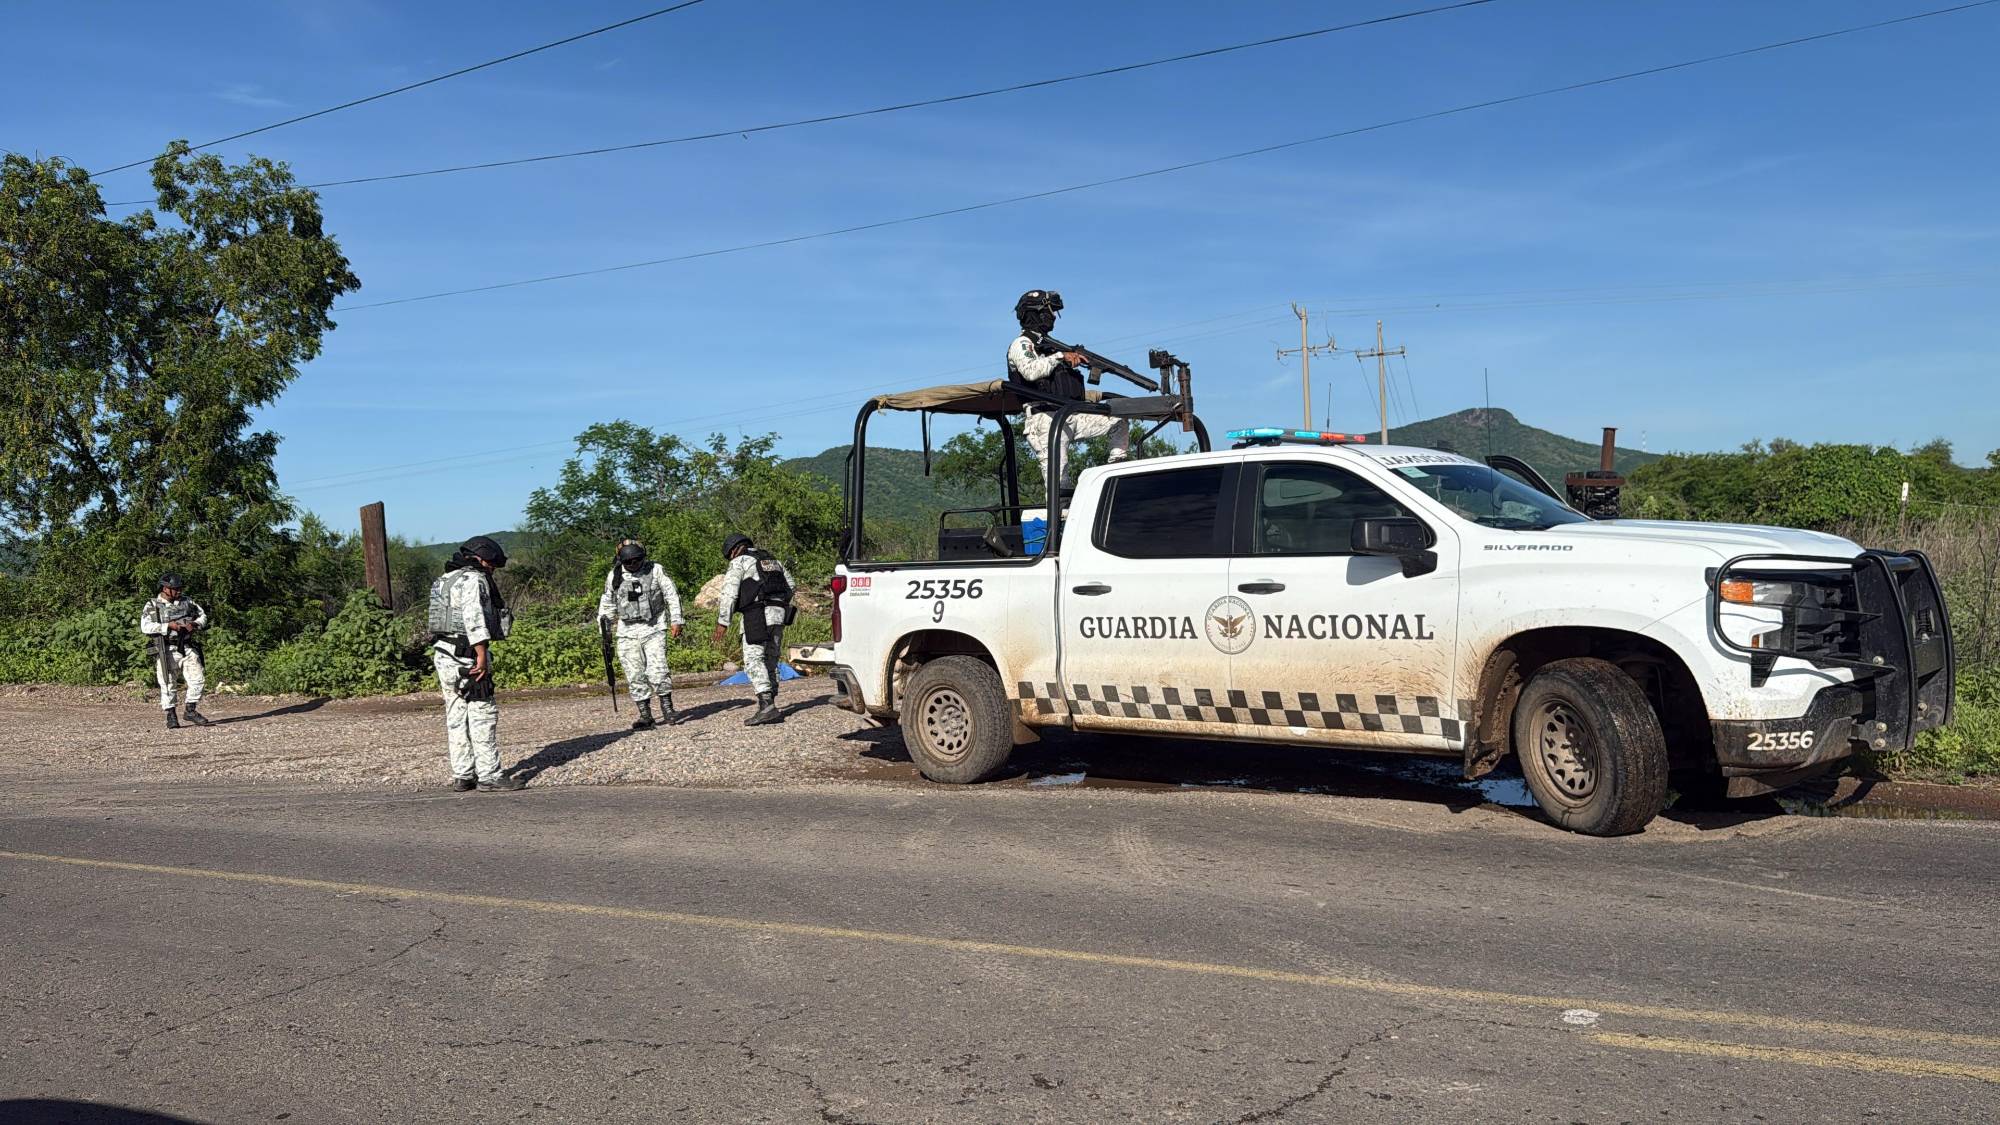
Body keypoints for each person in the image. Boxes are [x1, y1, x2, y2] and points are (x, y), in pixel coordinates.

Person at [1006, 289, 1128, 495]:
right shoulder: (1023, 344)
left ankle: (1115, 467)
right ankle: (1056, 524)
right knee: (1059, 487)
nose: (1053, 316)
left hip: (1067, 415)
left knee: (1118, 420)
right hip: (1043, 420)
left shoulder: (1049, 346)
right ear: (1034, 312)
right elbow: (1031, 372)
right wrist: (1061, 356)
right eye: (1049, 311)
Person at [425, 535, 524, 792]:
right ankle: (490, 775)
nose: (492, 568)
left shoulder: (443, 579)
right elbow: (473, 618)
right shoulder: (474, 580)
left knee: (456, 715)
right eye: (491, 563)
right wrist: (481, 654)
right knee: (482, 714)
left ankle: (463, 774)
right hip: (467, 654)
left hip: (444, 654)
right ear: (480, 557)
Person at [597, 539, 686, 730]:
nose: (633, 564)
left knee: (658, 670)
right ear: (621, 561)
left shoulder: (655, 570)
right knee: (634, 673)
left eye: (636, 560)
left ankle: (668, 709)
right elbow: (607, 603)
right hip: (627, 630)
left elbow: (671, 594)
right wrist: (604, 631)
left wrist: (677, 620)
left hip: (653, 626)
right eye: (628, 562)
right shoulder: (615, 575)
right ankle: (645, 715)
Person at [710, 533, 796, 727]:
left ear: (733, 550)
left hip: (756, 615)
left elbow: (729, 593)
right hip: (779, 614)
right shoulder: (773, 560)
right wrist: (779, 604)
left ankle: (766, 705)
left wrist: (723, 622)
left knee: (753, 659)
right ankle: (771, 700)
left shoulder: (739, 561)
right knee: (771, 658)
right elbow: (791, 585)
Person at [139, 574, 210, 729]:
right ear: (166, 589)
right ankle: (171, 715)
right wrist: (167, 626)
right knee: (167, 682)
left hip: (187, 646)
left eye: (180, 588)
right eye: (175, 589)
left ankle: (190, 710)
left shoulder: (188, 602)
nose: (179, 591)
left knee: (198, 679)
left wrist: (195, 624)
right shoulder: (153, 605)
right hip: (166, 649)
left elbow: (202, 615)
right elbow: (145, 626)